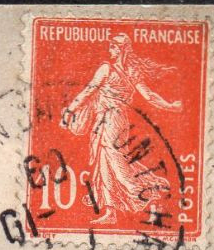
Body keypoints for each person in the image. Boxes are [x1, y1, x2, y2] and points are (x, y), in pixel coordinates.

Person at [59, 33, 184, 226]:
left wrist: (70, 109)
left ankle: (142, 191)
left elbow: (89, 91)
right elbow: (149, 96)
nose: (110, 50)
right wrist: (170, 106)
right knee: (105, 162)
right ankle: (111, 212)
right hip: (117, 120)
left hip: (109, 119)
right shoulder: (132, 71)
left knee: (115, 161)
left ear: (120, 49)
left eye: (113, 47)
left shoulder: (106, 68)